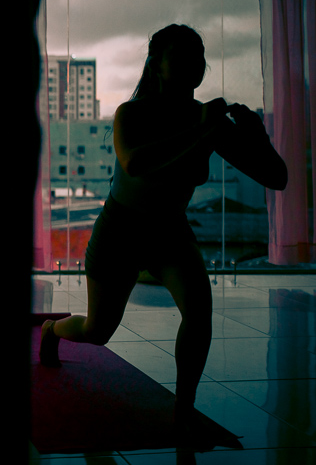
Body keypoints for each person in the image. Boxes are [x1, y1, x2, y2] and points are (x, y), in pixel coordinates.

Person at [39, 24, 287, 436]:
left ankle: (183, 409)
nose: (195, 64)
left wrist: (258, 136)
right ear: (157, 65)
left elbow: (276, 178)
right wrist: (202, 129)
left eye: (199, 55)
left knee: (199, 314)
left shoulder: (207, 119)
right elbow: (135, 165)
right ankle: (52, 329)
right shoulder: (131, 114)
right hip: (120, 229)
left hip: (170, 231)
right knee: (98, 332)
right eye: (183, 56)